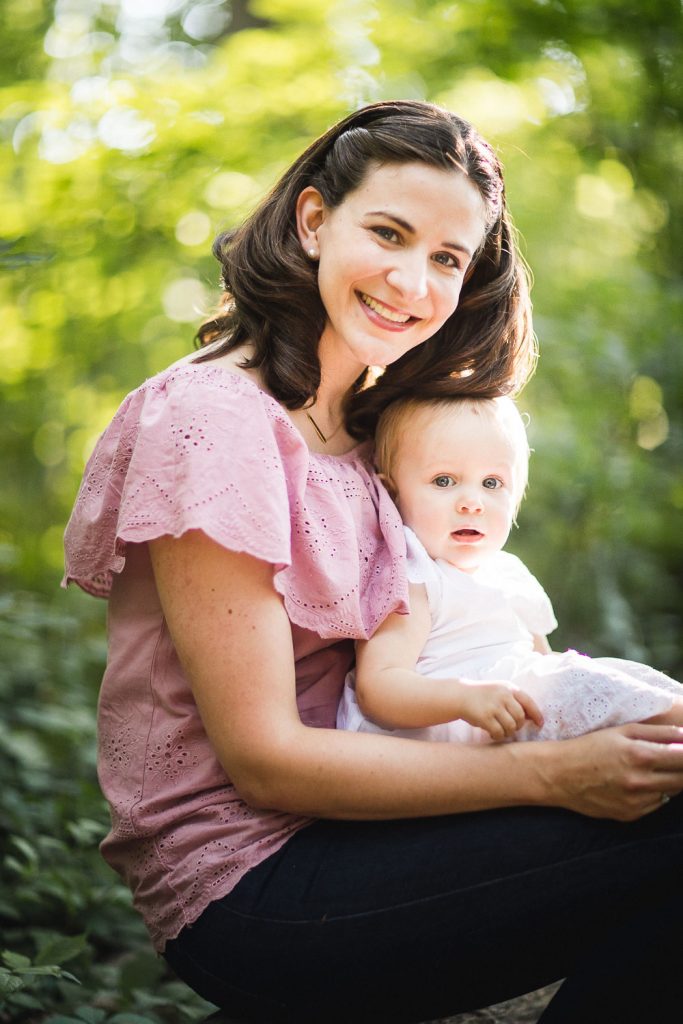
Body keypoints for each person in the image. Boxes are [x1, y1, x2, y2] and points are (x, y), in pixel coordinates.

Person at [63, 100, 683, 1024]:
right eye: (387, 233)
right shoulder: (215, 421)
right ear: (314, 221)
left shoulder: (368, 434)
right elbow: (266, 763)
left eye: (446, 258)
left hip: (370, 819)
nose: (411, 282)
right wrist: (555, 774)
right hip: (250, 884)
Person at [338, 395, 683, 744]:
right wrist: (462, 697)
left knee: (616, 682)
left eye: (491, 483)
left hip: (517, 716)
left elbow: (544, 662)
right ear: (393, 494)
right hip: (441, 728)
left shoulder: (508, 572)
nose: (472, 503)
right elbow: (378, 688)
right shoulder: (415, 576)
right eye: (444, 481)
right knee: (588, 686)